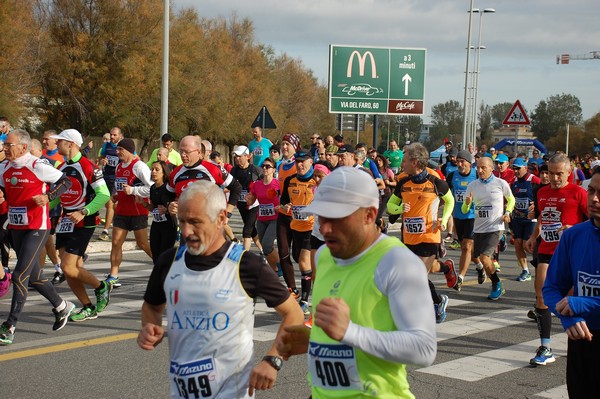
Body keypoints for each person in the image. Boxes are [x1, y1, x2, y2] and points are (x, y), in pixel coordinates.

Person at [277, 167, 437, 398]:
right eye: (322, 217)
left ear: (369, 215)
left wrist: (350, 332)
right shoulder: (324, 256)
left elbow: (423, 349)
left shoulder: (397, 261)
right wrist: (312, 339)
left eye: (337, 219)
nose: (324, 228)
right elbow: (339, 332)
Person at [138, 180, 304, 398]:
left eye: (195, 222)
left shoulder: (246, 265)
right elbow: (151, 306)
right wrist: (150, 327)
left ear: (221, 219)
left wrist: (273, 360)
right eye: (182, 222)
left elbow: (294, 314)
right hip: (181, 392)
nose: (187, 232)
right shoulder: (169, 261)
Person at [0, 129, 75, 345]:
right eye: (5, 145)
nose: (5, 148)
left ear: (23, 147)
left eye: (9, 145)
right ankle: (62, 306)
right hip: (16, 227)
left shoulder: (37, 166)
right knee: (33, 277)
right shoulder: (3, 167)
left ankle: (10, 326)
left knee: (18, 276)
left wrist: (48, 196)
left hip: (37, 227)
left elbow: (66, 181)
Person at [525, 153, 588, 366]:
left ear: (569, 172)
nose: (554, 178)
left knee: (572, 300)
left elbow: (593, 219)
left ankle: (584, 338)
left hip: (573, 252)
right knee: (541, 295)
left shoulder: (579, 193)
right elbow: (543, 216)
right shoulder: (541, 192)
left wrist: (575, 229)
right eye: (550, 173)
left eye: (559, 174)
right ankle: (545, 347)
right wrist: (534, 236)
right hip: (548, 248)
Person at [543, 168, 600, 398]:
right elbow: (551, 288)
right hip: (582, 339)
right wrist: (568, 316)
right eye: (592, 191)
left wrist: (581, 304)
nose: (595, 198)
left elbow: (577, 301)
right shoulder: (573, 235)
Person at [387, 142, 456, 323]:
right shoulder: (403, 182)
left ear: (415, 162)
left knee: (416, 275)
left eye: (405, 160)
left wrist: (445, 218)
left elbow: (450, 201)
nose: (402, 164)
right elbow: (390, 206)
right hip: (409, 237)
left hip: (429, 235)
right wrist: (399, 208)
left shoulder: (435, 182)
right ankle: (439, 300)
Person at [49, 129, 112, 321]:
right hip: (66, 223)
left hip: (84, 221)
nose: (56, 144)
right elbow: (56, 197)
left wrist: (83, 211)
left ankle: (102, 287)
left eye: (59, 141)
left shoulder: (88, 166)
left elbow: (104, 195)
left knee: (68, 267)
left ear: (70, 144)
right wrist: (44, 206)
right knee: (70, 271)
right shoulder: (61, 168)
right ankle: (87, 307)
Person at [462, 156, 515, 300]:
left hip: (496, 225)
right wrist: (467, 203)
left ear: (492, 168)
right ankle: (501, 241)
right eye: (478, 167)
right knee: (477, 257)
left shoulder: (500, 183)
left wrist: (508, 212)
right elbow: (465, 210)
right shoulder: (472, 185)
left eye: (483, 167)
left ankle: (497, 284)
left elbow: (511, 199)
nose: (479, 170)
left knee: (485, 258)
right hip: (479, 228)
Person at [105, 138, 153, 287]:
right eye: (117, 150)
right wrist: (117, 195)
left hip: (138, 211)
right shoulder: (119, 166)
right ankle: (114, 275)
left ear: (130, 151)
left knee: (143, 244)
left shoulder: (139, 166)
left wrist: (133, 190)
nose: (117, 152)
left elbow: (152, 188)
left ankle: (162, 265)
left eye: (121, 150)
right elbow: (121, 186)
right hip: (121, 211)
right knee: (116, 242)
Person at [280, 149, 317, 315]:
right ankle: (314, 284)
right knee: (298, 259)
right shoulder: (290, 180)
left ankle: (304, 300)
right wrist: (285, 206)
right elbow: (283, 202)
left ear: (311, 163)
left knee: (303, 262)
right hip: (296, 227)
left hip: (312, 228)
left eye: (303, 161)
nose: (300, 165)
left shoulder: (317, 181)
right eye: (297, 162)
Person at [446, 150, 480, 291]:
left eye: (462, 162)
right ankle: (480, 266)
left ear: (469, 163)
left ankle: (460, 278)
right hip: (458, 217)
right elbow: (445, 194)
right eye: (458, 161)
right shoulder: (452, 176)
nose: (459, 164)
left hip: (473, 216)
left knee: (466, 246)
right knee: (466, 249)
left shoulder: (477, 175)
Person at [276, 133, 301, 298]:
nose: (285, 147)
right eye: (283, 144)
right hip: (283, 214)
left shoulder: (298, 165)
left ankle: (308, 281)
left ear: (295, 147)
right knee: (283, 252)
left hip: (298, 217)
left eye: (288, 144)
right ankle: (292, 289)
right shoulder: (280, 165)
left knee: (298, 255)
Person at [247, 157, 281, 272]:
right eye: (263, 166)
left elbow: (286, 199)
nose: (265, 168)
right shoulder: (257, 184)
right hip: (261, 219)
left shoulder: (278, 184)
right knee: (264, 248)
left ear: (273, 170)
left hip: (275, 218)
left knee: (267, 244)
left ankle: (281, 265)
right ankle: (274, 271)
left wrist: (281, 207)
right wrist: (248, 199)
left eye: (268, 166)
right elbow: (251, 200)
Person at [510, 157, 540, 283]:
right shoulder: (514, 181)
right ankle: (525, 270)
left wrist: (536, 205)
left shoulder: (534, 180)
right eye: (514, 168)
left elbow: (543, 191)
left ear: (525, 168)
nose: (516, 171)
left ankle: (541, 263)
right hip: (517, 218)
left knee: (527, 245)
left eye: (518, 168)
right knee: (517, 244)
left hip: (530, 219)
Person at [143, 160, 177, 265]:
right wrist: (143, 204)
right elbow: (153, 208)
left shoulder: (169, 188)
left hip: (169, 225)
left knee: (165, 256)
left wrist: (167, 210)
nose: (153, 172)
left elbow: (176, 207)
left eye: (157, 169)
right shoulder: (153, 188)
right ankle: (159, 278)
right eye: (152, 169)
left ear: (164, 173)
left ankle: (166, 278)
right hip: (156, 224)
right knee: (155, 255)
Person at [231, 145, 264, 252]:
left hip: (254, 204)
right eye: (236, 156)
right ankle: (263, 251)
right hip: (241, 203)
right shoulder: (234, 170)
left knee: (246, 230)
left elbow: (266, 183)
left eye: (240, 156)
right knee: (251, 230)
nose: (237, 159)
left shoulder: (256, 170)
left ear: (247, 156)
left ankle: (244, 258)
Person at [97, 127, 123, 241]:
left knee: (110, 203)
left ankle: (105, 230)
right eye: (111, 135)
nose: (112, 137)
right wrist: (102, 161)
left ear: (120, 136)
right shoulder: (106, 146)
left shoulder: (124, 146)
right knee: (109, 205)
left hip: (116, 179)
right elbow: (101, 157)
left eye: (114, 135)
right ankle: (116, 218)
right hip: (105, 177)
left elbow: (135, 158)